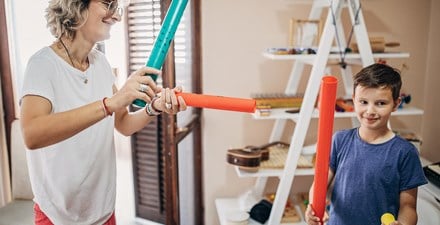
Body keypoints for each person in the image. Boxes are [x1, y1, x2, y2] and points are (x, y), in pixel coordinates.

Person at [20, 0, 187, 224]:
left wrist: (153, 108)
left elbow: (124, 124)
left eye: (115, 8)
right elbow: (32, 134)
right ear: (76, 6)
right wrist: (109, 104)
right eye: (108, 4)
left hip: (103, 212)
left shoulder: (101, 64)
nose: (116, 17)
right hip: (56, 215)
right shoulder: (42, 65)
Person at [305, 63, 427, 225]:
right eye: (363, 102)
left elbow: (408, 206)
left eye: (381, 103)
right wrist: (312, 208)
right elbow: (319, 184)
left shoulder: (405, 152)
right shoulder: (340, 140)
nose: (370, 111)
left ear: (396, 104)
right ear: (354, 100)